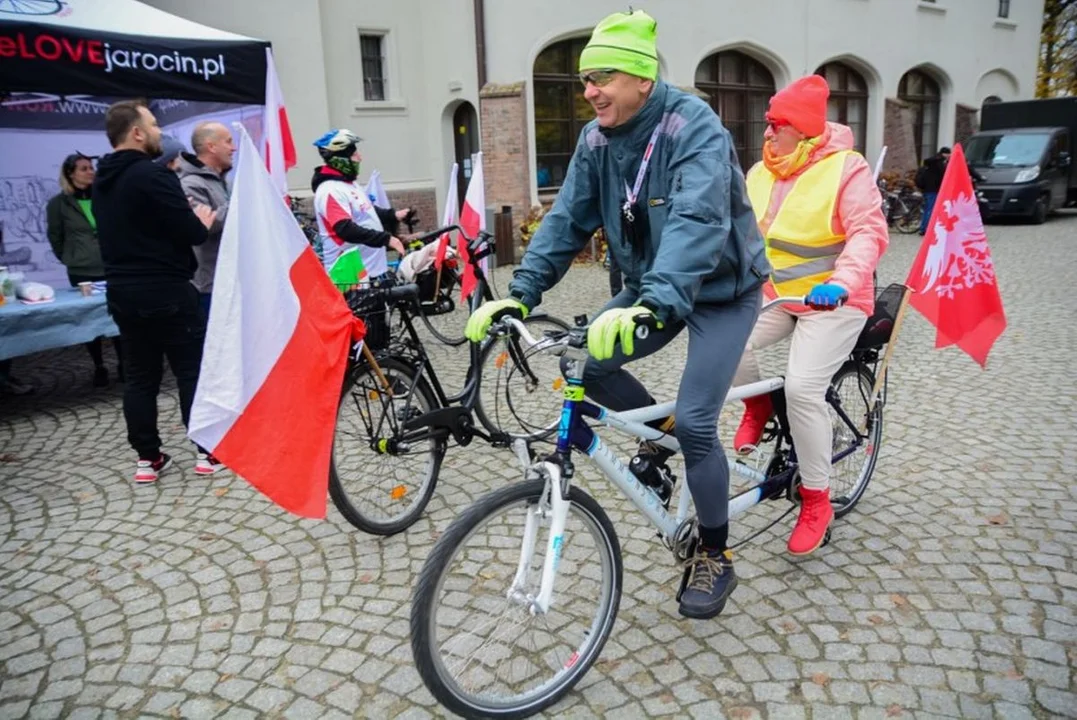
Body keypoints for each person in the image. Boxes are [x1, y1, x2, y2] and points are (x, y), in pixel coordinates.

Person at [464, 10, 770, 620]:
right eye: (584, 80)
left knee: (702, 421)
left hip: (721, 291)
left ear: (641, 79)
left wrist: (652, 303)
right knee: (585, 358)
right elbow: (566, 220)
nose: (589, 92)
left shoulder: (694, 126)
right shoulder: (596, 140)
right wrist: (520, 292)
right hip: (650, 285)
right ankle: (665, 441)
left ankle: (714, 553)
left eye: (601, 77)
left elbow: (697, 223)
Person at [732, 75, 889, 555]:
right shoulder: (761, 171)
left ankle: (816, 500)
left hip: (836, 301)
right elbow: (737, 233)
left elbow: (868, 232)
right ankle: (757, 406)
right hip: (779, 295)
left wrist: (841, 282)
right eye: (767, 123)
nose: (768, 132)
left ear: (802, 129)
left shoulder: (846, 168)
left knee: (802, 388)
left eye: (777, 124)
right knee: (724, 343)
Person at [92, 100, 223, 483]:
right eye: (151, 124)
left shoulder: (101, 180)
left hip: (122, 292)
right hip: (166, 289)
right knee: (189, 371)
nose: (156, 131)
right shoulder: (152, 176)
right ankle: (206, 453)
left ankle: (147, 458)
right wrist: (198, 219)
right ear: (136, 132)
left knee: (140, 377)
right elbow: (193, 233)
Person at [311, 129, 411, 347]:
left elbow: (368, 211)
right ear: (340, 158)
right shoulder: (329, 190)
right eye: (354, 153)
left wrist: (393, 215)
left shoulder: (349, 185)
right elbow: (345, 228)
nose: (360, 157)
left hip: (370, 274)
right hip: (352, 278)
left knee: (379, 336)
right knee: (363, 344)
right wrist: (386, 239)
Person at [46, 152, 123, 386]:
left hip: (110, 263)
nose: (91, 172)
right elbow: (55, 237)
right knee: (89, 319)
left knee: (118, 316)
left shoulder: (104, 196)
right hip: (82, 270)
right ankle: (98, 364)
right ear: (70, 174)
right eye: (84, 168)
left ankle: (123, 363)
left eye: (91, 167)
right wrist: (70, 257)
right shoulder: (59, 204)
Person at [177, 122, 235, 317]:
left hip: (231, 279)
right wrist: (240, 203)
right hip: (211, 284)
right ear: (211, 146)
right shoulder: (190, 184)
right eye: (228, 142)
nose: (233, 148)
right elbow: (204, 227)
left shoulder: (222, 179)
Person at [915, 146, 950, 235]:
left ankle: (926, 227)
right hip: (932, 189)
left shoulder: (936, 162)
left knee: (929, 209)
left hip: (930, 189)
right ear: (944, 154)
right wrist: (942, 157)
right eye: (948, 154)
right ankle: (924, 228)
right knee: (929, 209)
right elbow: (942, 173)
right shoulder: (937, 162)